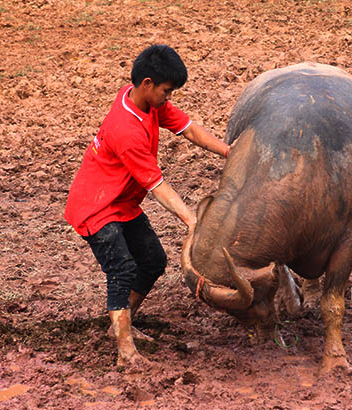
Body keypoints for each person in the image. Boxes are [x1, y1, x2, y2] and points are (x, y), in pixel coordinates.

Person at [64, 44, 229, 367]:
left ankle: (121, 326)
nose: (169, 97)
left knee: (153, 261)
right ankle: (125, 352)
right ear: (148, 84)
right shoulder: (125, 129)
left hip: (121, 202)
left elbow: (189, 128)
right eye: (167, 90)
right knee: (122, 269)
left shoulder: (147, 102)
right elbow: (156, 185)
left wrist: (227, 151)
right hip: (96, 207)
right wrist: (191, 220)